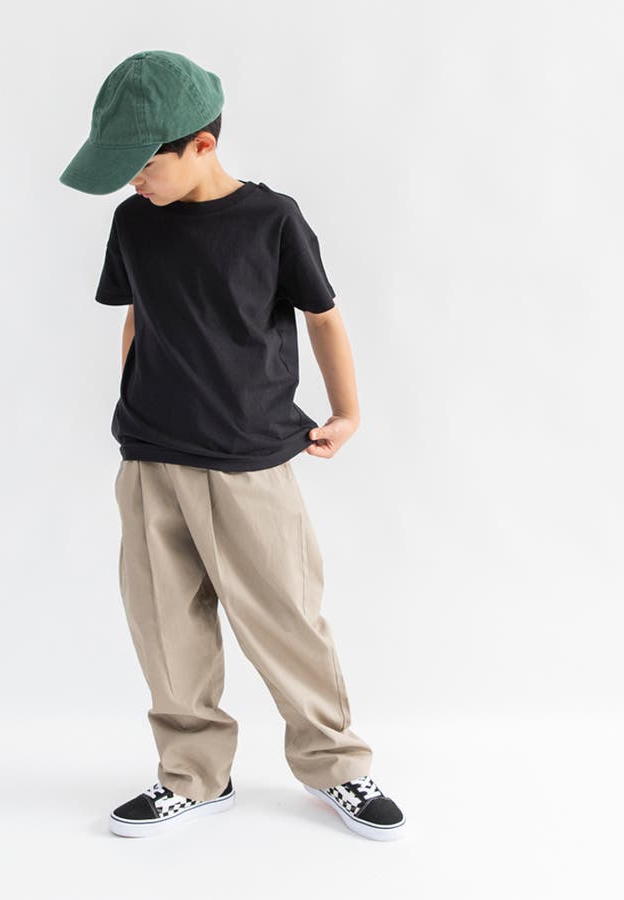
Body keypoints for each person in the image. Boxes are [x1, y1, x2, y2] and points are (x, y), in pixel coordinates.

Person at [59, 49, 406, 842]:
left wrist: (347, 412)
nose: (133, 183)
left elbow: (322, 315)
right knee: (165, 625)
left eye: (143, 166)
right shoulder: (133, 222)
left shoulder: (271, 220)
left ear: (202, 145)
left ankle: (335, 764)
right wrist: (133, 406)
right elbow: (139, 315)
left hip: (248, 459)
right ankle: (193, 775)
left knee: (286, 620)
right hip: (150, 457)